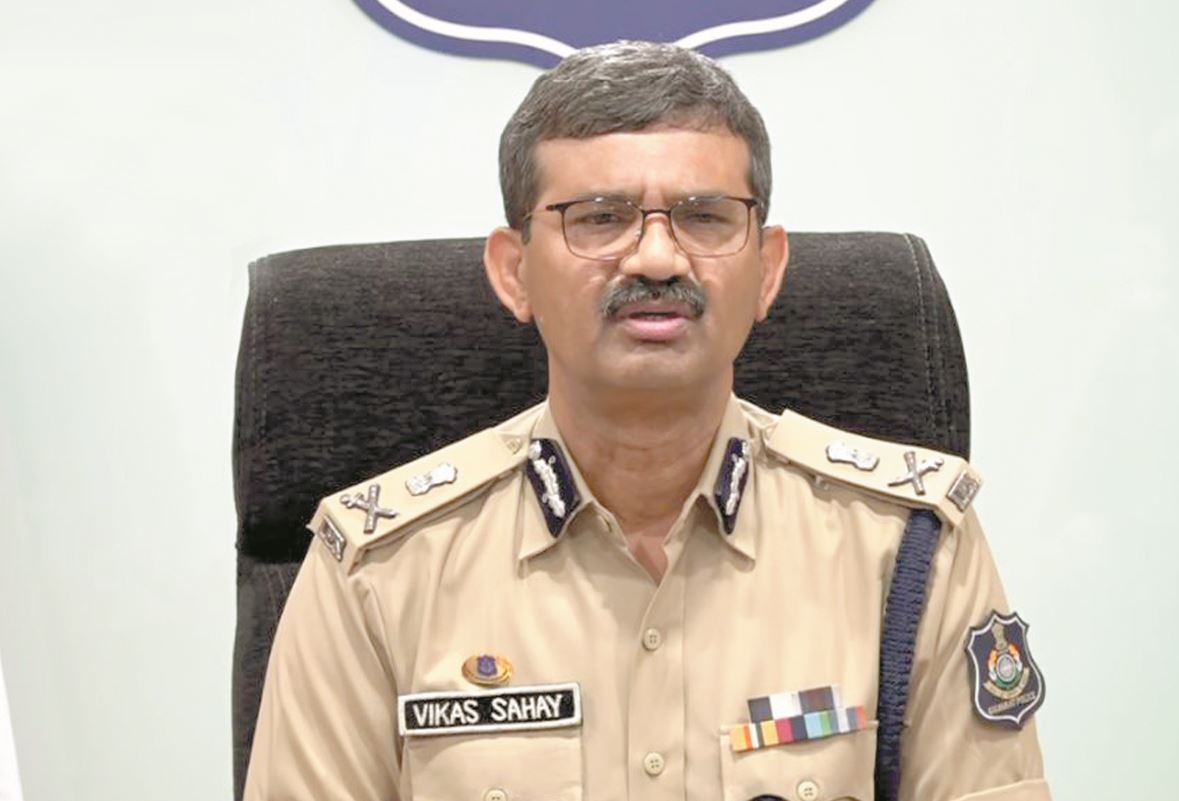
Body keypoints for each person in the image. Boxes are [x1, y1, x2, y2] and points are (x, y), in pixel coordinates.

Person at [243, 41, 1050, 801]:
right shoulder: (376, 571)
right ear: (514, 271)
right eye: (599, 217)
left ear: (767, 270)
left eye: (705, 217)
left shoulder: (908, 547)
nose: (657, 258)